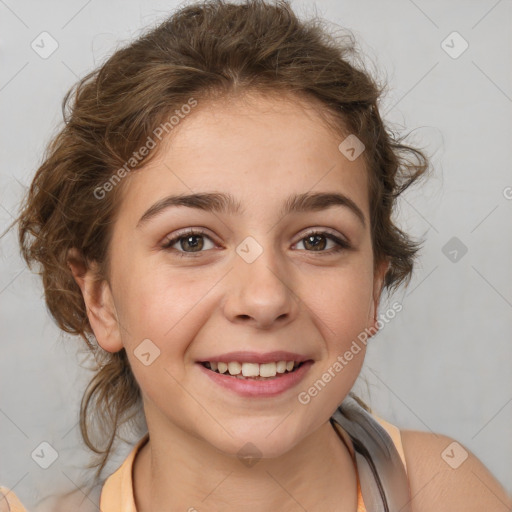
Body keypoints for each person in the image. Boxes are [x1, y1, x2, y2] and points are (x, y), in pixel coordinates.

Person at [3, 0, 511, 510]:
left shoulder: (446, 491)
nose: (265, 298)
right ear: (101, 300)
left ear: (374, 288)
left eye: (317, 241)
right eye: (192, 241)